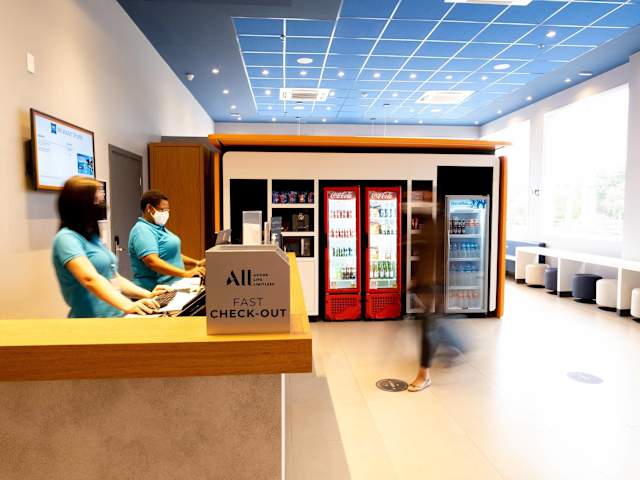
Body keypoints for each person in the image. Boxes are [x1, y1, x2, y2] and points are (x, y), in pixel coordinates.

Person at [52, 176, 163, 317]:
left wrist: (148, 295)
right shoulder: (66, 238)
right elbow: (89, 279)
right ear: (80, 204)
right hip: (92, 322)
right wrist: (128, 305)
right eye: (96, 200)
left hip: (117, 316)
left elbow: (113, 278)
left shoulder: (92, 238)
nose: (102, 205)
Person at [408, 213, 467, 392]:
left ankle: (424, 375)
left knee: (428, 327)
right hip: (428, 285)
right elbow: (424, 255)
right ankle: (456, 345)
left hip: (435, 286)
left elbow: (446, 259)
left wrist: (441, 287)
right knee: (431, 324)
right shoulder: (431, 224)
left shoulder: (443, 225)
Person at [128, 190, 205, 291]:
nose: (166, 213)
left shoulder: (158, 227)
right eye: (163, 209)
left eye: (167, 210)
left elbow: (171, 253)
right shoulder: (142, 230)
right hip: (154, 290)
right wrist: (185, 273)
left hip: (173, 285)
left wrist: (196, 263)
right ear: (149, 208)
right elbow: (152, 261)